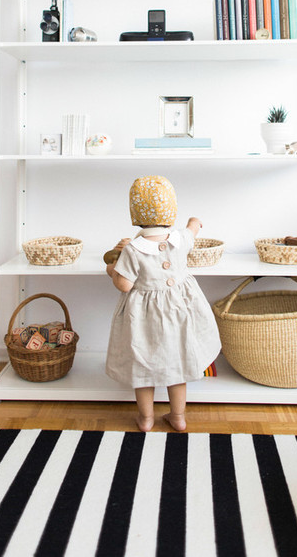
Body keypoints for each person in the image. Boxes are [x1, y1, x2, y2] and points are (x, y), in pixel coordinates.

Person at [104, 175, 221, 432]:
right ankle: (178, 417)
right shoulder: (179, 239)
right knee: (176, 366)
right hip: (179, 313)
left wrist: (112, 268)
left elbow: (124, 284)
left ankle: (146, 419)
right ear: (172, 211)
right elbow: (192, 231)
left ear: (134, 213)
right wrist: (194, 222)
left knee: (142, 367)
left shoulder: (133, 249)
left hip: (143, 318)